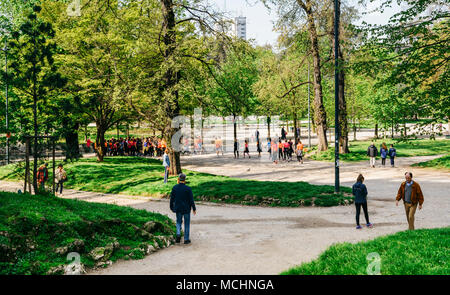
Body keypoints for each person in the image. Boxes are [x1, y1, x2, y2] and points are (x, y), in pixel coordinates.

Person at [169, 173, 196, 244]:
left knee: (178, 222)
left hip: (178, 208)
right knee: (187, 223)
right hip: (186, 209)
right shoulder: (188, 189)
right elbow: (191, 200)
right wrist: (194, 208)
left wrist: (171, 207)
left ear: (178, 179)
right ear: (185, 180)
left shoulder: (174, 188)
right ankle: (186, 239)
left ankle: (178, 233)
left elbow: (172, 199)